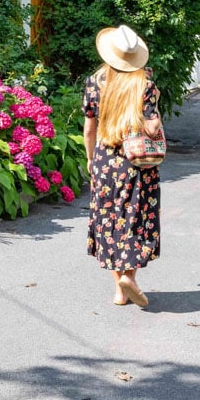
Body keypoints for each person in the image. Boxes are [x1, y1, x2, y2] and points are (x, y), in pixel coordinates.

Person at [83, 25, 163, 307]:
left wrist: (91, 159)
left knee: (109, 221)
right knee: (135, 220)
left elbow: (89, 128)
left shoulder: (95, 83)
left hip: (105, 161)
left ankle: (120, 289)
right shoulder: (145, 84)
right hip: (137, 162)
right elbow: (152, 127)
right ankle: (129, 277)